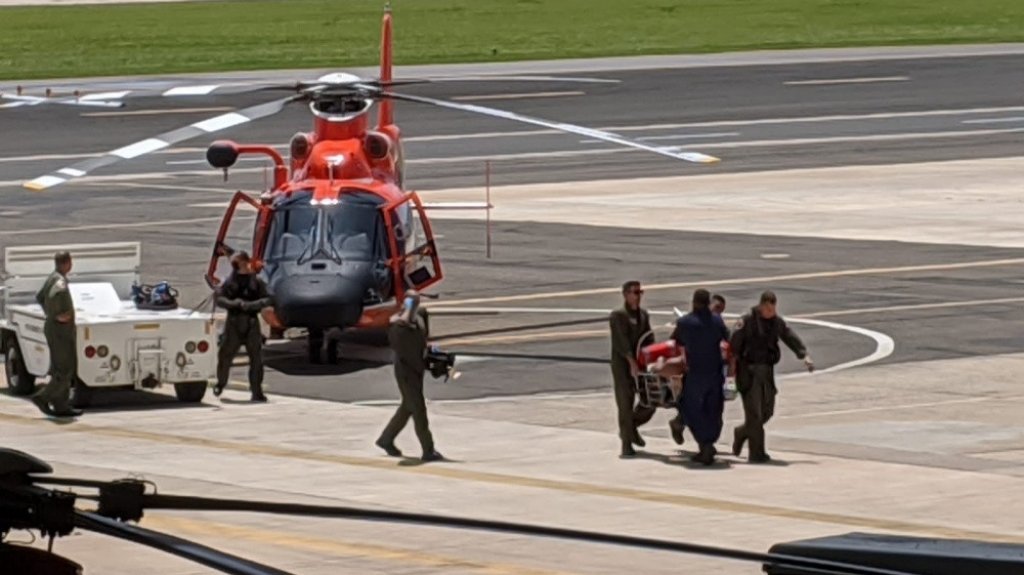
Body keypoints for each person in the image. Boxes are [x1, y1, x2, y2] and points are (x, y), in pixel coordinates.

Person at [730, 290, 814, 463]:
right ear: (761, 306)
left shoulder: (776, 322)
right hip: (749, 372)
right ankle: (757, 453)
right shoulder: (747, 321)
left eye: (773, 309)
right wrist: (733, 368)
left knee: (767, 411)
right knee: (754, 414)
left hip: (767, 372)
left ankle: (742, 432)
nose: (771, 312)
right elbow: (734, 344)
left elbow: (789, 336)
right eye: (768, 309)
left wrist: (804, 355)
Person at [376, 290, 443, 462]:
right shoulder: (397, 328)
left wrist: (434, 355)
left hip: (417, 370)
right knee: (418, 409)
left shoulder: (420, 317)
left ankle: (386, 439)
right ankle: (428, 449)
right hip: (406, 372)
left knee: (407, 406)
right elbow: (405, 349)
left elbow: (424, 341)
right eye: (411, 302)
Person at [672, 289, 730, 465]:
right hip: (714, 373)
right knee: (713, 411)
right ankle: (707, 444)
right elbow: (727, 339)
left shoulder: (685, 322)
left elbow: (676, 342)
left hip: (695, 374)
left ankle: (704, 444)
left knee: (692, 409)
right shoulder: (717, 321)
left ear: (694, 302)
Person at [213, 252, 272, 402]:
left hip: (251, 322)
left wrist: (251, 305)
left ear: (245, 262)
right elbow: (219, 298)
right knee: (225, 355)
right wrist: (234, 304)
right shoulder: (230, 281)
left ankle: (256, 391)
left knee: (256, 359)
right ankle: (221, 383)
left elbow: (268, 299)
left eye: (238, 261)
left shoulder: (256, 281)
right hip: (233, 323)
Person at [30, 251, 81, 418]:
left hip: (56, 329)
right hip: (60, 332)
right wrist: (57, 315)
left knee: (61, 367)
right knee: (65, 369)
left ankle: (61, 405)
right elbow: (54, 297)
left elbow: (40, 297)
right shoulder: (59, 282)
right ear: (67, 263)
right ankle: (43, 397)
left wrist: (49, 313)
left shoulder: (52, 278)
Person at [609, 280, 656, 457]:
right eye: (635, 292)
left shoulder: (643, 315)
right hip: (623, 366)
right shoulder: (617, 316)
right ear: (625, 295)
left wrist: (653, 359)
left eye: (640, 292)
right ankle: (626, 443)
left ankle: (631, 427)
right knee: (625, 404)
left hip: (641, 365)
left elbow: (648, 338)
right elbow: (621, 342)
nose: (638, 296)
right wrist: (631, 363)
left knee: (650, 401)